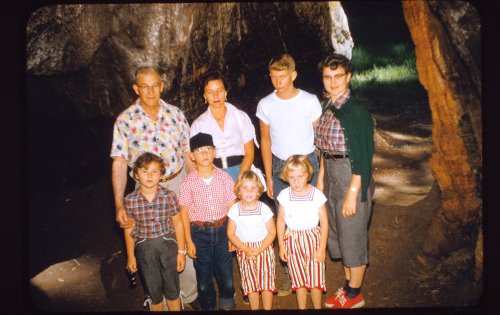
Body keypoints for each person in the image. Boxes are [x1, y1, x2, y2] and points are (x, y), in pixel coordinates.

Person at [110, 66, 199, 309]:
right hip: (145, 189)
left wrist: (197, 183)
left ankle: (187, 295)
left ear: (161, 85)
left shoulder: (176, 114)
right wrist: (119, 202)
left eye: (155, 85)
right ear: (136, 88)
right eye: (144, 86)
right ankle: (157, 294)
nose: (150, 91)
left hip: (177, 180)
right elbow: (119, 161)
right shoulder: (125, 120)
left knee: (183, 234)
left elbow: (187, 152)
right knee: (151, 242)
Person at [256, 53, 322, 295]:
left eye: (282, 77)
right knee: (284, 217)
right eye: (274, 77)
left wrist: (321, 171)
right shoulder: (265, 104)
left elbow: (320, 138)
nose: (278, 82)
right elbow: (264, 139)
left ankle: (314, 264)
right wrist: (268, 175)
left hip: (308, 162)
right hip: (280, 165)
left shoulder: (309, 100)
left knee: (311, 214)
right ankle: (289, 270)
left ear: (293, 75)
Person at [314, 53, 375, 309]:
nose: (333, 81)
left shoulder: (356, 110)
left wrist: (353, 191)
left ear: (348, 76)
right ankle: (349, 285)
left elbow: (363, 155)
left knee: (352, 233)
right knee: (338, 233)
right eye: (328, 77)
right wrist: (321, 178)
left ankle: (354, 294)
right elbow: (324, 149)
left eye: (338, 76)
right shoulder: (328, 106)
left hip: (352, 175)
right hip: (331, 173)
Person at [178, 132, 238, 311]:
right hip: (199, 234)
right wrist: (188, 241)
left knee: (225, 272)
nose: (204, 154)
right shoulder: (187, 183)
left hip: (223, 230)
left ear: (215, 152)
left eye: (208, 149)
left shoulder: (225, 178)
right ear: (192, 156)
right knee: (203, 277)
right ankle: (208, 306)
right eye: (199, 150)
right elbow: (184, 214)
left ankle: (227, 301)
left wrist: (232, 236)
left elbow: (233, 208)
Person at [123, 152, 186, 311]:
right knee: (153, 290)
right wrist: (131, 256)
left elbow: (178, 224)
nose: (149, 175)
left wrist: (181, 251)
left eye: (154, 171)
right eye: (144, 171)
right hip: (145, 250)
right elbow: (129, 229)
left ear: (161, 175)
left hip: (168, 247)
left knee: (172, 289)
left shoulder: (169, 196)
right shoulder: (130, 200)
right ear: (136, 174)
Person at [276, 155, 328, 309]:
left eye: (300, 176)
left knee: (315, 280)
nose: (296, 181)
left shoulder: (316, 195)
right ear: (286, 177)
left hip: (313, 239)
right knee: (298, 279)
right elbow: (280, 221)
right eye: (292, 177)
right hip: (292, 240)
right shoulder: (285, 195)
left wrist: (322, 248)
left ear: (308, 175)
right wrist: (281, 245)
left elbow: (324, 222)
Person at [190, 70, 256, 181]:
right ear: (204, 95)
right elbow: (196, 158)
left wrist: (240, 180)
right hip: (212, 174)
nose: (215, 95)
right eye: (210, 92)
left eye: (219, 90)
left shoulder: (240, 117)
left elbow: (249, 153)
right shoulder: (199, 124)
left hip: (241, 170)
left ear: (225, 92)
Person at [227, 170, 277, 310]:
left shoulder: (264, 209)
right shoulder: (235, 210)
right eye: (245, 188)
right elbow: (231, 233)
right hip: (244, 249)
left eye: (253, 188)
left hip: (264, 248)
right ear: (238, 191)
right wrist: (246, 249)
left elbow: (272, 232)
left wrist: (260, 249)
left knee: (266, 283)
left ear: (258, 191)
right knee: (251, 285)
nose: (249, 192)